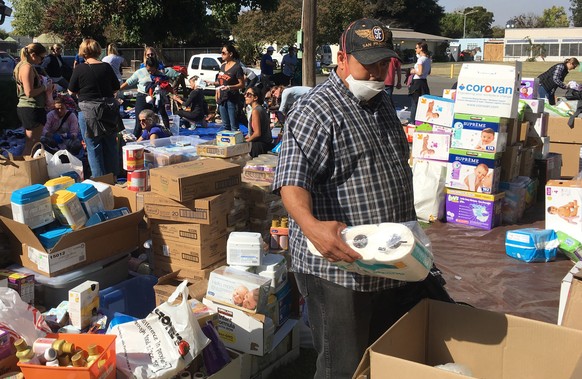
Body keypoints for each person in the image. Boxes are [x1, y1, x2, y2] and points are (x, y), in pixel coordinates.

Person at [273, 18, 429, 378]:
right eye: (366, 63)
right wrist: (312, 228)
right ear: (342, 59)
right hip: (338, 268)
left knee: (382, 354)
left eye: (382, 63)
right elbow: (291, 181)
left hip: (385, 259)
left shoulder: (383, 102)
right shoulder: (316, 110)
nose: (376, 71)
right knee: (341, 366)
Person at [68, 38, 121, 178]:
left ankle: (100, 181)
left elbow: (71, 91)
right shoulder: (106, 67)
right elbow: (116, 87)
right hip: (108, 110)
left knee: (93, 148)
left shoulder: (80, 68)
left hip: (88, 112)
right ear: (98, 50)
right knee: (110, 145)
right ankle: (113, 178)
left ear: (83, 51)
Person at [120, 56, 180, 137]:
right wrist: (118, 89)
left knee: (153, 121)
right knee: (139, 123)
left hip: (155, 98)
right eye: (149, 70)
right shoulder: (140, 72)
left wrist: (174, 95)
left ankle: (160, 137)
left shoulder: (160, 75)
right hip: (142, 96)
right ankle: (136, 140)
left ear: (156, 68)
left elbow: (167, 86)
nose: (151, 72)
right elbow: (129, 82)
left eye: (153, 70)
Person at [14, 43, 53, 156]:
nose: (42, 60)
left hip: (28, 108)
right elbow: (29, 92)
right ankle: (26, 170)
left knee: (31, 143)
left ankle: (26, 168)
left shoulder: (21, 65)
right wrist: (45, 87)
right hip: (31, 108)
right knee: (32, 144)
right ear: (33, 55)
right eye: (42, 57)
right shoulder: (27, 67)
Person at [205, 44, 244, 131]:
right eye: (221, 53)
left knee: (233, 125)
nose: (221, 55)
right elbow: (221, 81)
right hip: (222, 98)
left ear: (230, 54)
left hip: (232, 99)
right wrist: (211, 83)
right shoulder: (222, 66)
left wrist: (230, 87)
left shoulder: (237, 67)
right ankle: (227, 142)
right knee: (225, 125)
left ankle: (235, 143)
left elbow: (242, 84)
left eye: (223, 53)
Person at [244, 86, 272, 157]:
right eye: (245, 94)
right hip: (263, 144)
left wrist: (245, 142)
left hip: (258, 146)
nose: (245, 96)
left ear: (255, 98)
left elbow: (257, 133)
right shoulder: (261, 109)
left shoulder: (256, 111)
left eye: (248, 94)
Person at [408, 41, 431, 124]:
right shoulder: (428, 59)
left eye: (416, 48)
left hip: (417, 82)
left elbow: (420, 72)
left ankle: (412, 122)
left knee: (414, 103)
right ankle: (421, 121)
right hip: (424, 82)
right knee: (423, 103)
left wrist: (413, 71)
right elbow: (428, 72)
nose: (415, 49)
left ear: (421, 48)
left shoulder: (421, 60)